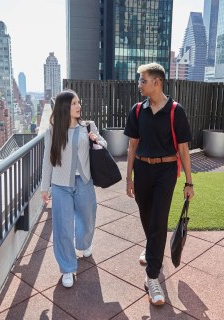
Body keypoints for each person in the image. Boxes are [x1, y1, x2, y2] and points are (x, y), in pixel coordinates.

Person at [124, 63, 194, 305]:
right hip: (142, 170)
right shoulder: (136, 110)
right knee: (146, 216)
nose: (139, 84)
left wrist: (189, 181)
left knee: (159, 220)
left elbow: (184, 150)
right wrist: (129, 176)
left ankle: (152, 277)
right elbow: (132, 145)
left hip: (166, 171)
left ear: (156, 82)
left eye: (142, 80)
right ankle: (152, 247)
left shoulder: (176, 111)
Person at [41, 89, 107, 288]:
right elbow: (47, 160)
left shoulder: (88, 126)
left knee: (88, 218)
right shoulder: (52, 132)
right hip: (61, 185)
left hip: (84, 182)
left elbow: (104, 144)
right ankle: (68, 268)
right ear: (64, 107)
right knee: (63, 227)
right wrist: (45, 187)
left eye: (79, 102)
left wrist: (97, 140)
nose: (79, 107)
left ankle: (84, 243)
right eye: (74, 104)